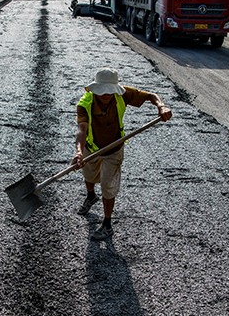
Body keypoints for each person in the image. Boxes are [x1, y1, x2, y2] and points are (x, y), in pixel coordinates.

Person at [72, 68, 172, 241]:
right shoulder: (84, 104)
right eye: (103, 92)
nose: (107, 95)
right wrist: (79, 153)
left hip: (114, 148)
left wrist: (161, 106)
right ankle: (90, 196)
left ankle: (107, 224)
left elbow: (151, 95)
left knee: (108, 185)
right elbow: (81, 130)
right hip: (91, 147)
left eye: (110, 91)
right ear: (95, 89)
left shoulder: (122, 95)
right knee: (88, 174)